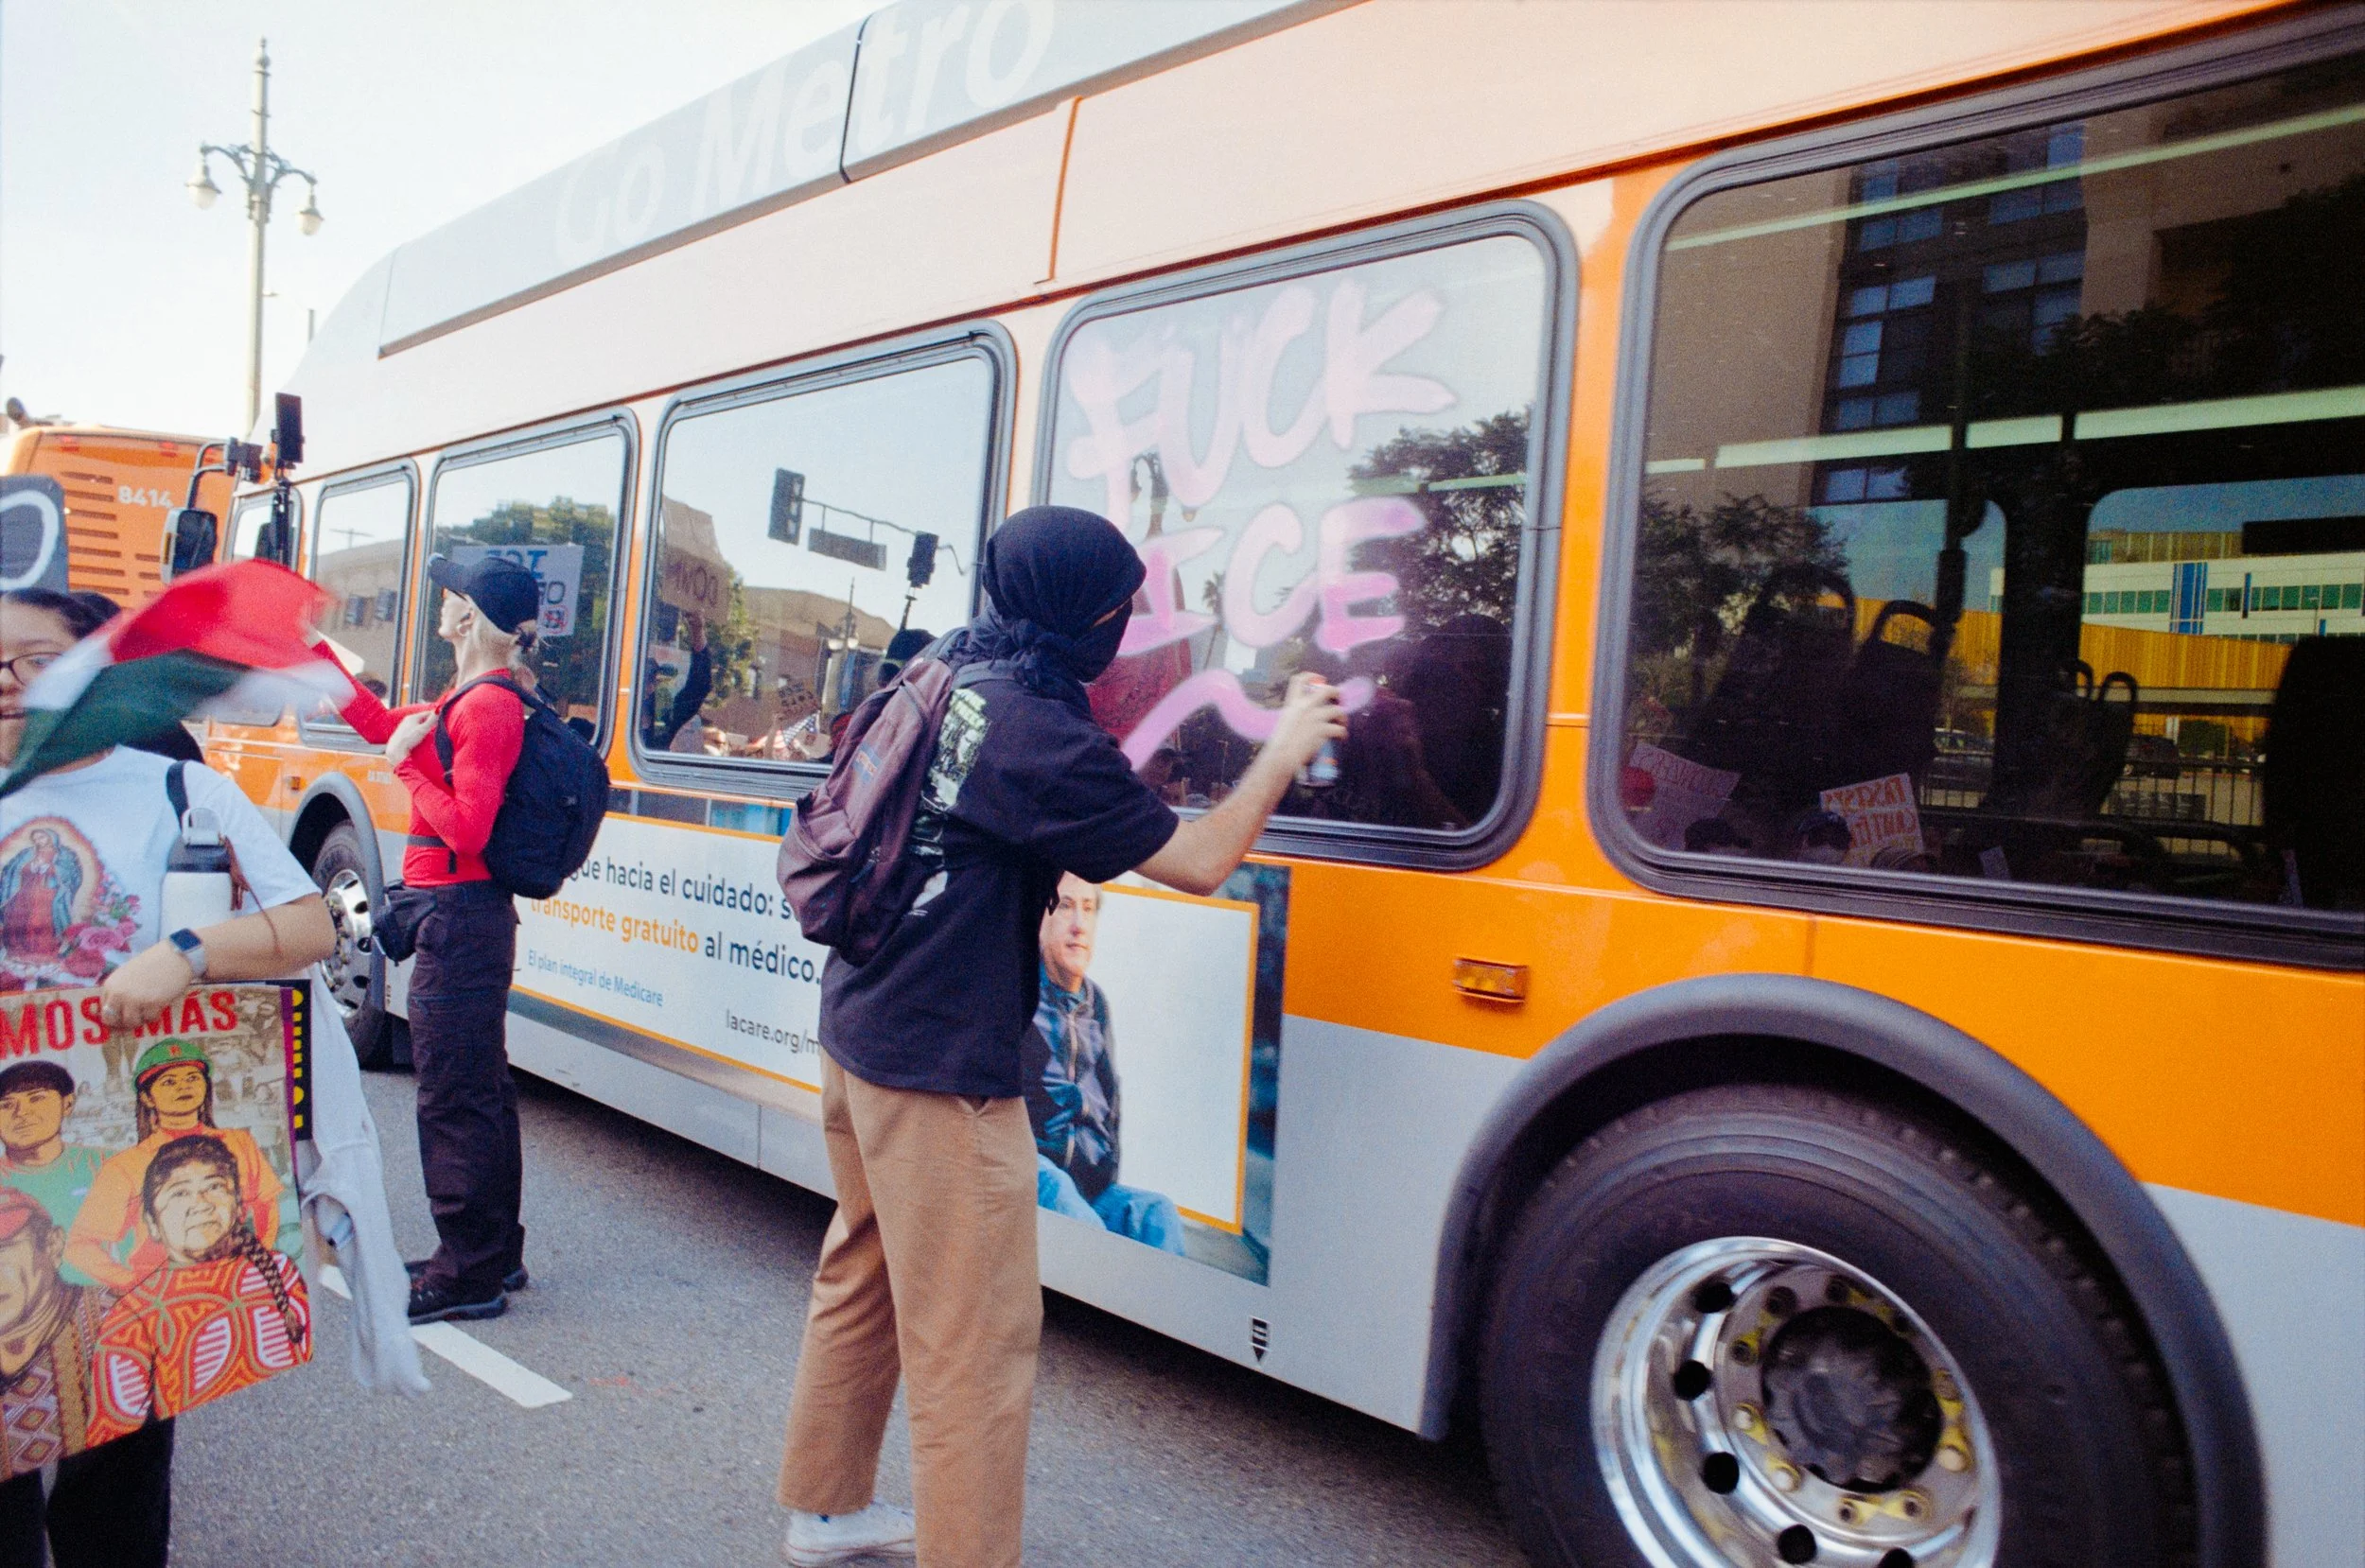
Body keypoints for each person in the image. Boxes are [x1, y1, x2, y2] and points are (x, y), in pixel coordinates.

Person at [774, 505, 1343, 1568]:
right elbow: (1200, 857)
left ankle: (823, 1506)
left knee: (864, 1266)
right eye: (1118, 610)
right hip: (942, 1070)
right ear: (1079, 613)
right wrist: (1285, 747)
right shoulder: (1037, 732)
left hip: (858, 1026)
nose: (1125, 629)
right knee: (976, 1343)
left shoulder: (949, 668)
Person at [0, 585, 336, 1568]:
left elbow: (314, 922)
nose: (10, 686)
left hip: (122, 1164)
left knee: (117, 1451)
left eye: (34, 661)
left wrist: (186, 950)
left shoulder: (179, 790)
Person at [330, 552, 537, 1324]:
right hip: (460, 915)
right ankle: (490, 1254)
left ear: (472, 617)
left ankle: (467, 1275)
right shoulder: (470, 697)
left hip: (461, 915)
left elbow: (469, 826)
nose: (441, 605)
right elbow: (394, 728)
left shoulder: (487, 707)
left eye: (452, 595)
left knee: (452, 1097)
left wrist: (403, 774)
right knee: (479, 1090)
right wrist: (320, 664)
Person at [84, 1133, 308, 1445]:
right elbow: (111, 1426)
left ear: (239, 1207)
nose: (200, 1204)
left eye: (215, 1187)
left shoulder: (280, 1272)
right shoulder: (131, 1320)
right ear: (150, 1221)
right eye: (178, 1193)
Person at [1023, 874, 1184, 1254]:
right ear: (1039, 918)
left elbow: (1110, 1105)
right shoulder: (1017, 991)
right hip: (1032, 1177)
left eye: (1089, 908)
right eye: (1064, 906)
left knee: (1156, 1214)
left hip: (1088, 1186)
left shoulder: (1098, 1006)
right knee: (1056, 1188)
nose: (1079, 924)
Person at [62, 1039, 294, 1293]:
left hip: (232, 1282)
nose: (184, 1087)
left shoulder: (239, 1143)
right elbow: (80, 1245)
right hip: (165, 1295)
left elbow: (266, 1205)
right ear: (147, 1097)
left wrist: (254, 1264)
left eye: (193, 1078)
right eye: (169, 1082)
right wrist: (133, 1283)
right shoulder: (125, 1165)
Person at [0, 1062, 104, 1255]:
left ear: (68, 1104)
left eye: (37, 1098)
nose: (21, 1112)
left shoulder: (108, 1164)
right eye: (6, 1105)